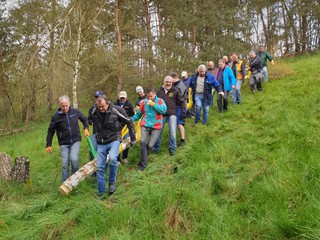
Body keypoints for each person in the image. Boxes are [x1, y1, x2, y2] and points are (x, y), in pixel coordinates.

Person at [92, 96, 136, 196]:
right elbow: (91, 122)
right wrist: (96, 135)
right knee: (99, 167)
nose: (101, 109)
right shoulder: (94, 111)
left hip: (114, 138)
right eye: (99, 107)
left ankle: (112, 183)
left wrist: (133, 138)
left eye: (102, 106)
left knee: (112, 158)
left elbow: (129, 121)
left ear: (107, 103)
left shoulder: (117, 110)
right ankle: (101, 192)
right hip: (101, 141)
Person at [46, 95, 89, 182]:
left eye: (66, 105)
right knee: (65, 164)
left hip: (75, 140)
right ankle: (65, 183)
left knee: (74, 160)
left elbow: (84, 119)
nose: (65, 108)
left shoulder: (75, 112)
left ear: (69, 104)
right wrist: (48, 144)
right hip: (63, 143)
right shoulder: (55, 117)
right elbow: (51, 131)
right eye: (63, 106)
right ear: (60, 105)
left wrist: (86, 128)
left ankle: (74, 181)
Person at [132, 87, 167, 171]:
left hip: (156, 126)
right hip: (145, 125)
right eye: (148, 97)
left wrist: (153, 104)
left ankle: (142, 160)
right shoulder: (144, 102)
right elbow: (139, 114)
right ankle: (143, 165)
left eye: (151, 96)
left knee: (150, 146)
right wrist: (131, 120)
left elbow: (163, 111)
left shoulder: (160, 101)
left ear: (154, 94)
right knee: (143, 142)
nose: (149, 98)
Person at [154, 76, 185, 156]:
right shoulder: (159, 92)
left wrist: (183, 112)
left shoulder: (176, 91)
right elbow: (154, 102)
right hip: (161, 114)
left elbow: (181, 102)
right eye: (167, 82)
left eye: (170, 82)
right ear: (164, 82)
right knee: (158, 131)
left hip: (172, 114)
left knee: (173, 131)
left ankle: (172, 149)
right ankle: (156, 149)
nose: (168, 83)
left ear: (172, 83)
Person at [114, 91, 134, 164]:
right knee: (117, 142)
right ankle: (118, 159)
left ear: (126, 98)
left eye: (123, 98)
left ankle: (124, 157)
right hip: (117, 126)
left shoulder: (129, 105)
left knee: (126, 141)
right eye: (121, 97)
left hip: (126, 126)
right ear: (119, 97)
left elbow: (132, 115)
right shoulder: (115, 104)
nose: (122, 99)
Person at [88, 90, 105, 160]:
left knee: (102, 151)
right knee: (91, 150)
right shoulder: (92, 109)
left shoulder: (107, 107)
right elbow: (89, 119)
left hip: (106, 133)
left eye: (99, 97)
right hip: (95, 132)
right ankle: (93, 166)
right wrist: (91, 123)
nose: (98, 99)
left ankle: (103, 166)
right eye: (97, 97)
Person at [171, 72, 187, 146]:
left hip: (181, 107)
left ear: (174, 78)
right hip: (177, 107)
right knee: (178, 123)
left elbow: (179, 98)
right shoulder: (176, 85)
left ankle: (183, 140)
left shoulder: (180, 85)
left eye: (171, 80)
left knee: (179, 123)